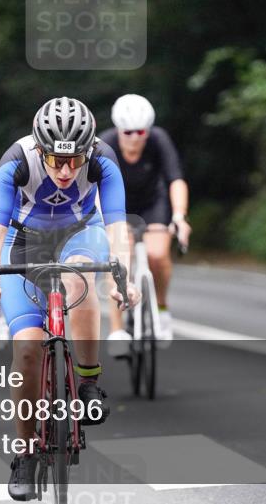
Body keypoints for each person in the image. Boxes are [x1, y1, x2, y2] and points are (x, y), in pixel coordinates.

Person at [0, 96, 140, 501]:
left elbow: (118, 228)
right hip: (23, 241)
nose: (66, 171)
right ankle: (26, 451)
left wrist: (123, 278)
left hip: (81, 232)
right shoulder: (16, 161)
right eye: (55, 161)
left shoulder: (103, 158)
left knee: (77, 272)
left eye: (75, 161)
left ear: (87, 151)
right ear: (40, 149)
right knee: (26, 347)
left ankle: (87, 383)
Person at [98, 94, 191, 351]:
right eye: (128, 132)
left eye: (141, 132)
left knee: (158, 254)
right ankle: (117, 330)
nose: (135, 138)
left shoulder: (159, 139)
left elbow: (176, 179)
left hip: (153, 203)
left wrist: (180, 216)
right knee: (117, 259)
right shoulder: (105, 144)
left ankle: (161, 308)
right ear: (118, 129)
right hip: (118, 207)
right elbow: (92, 187)